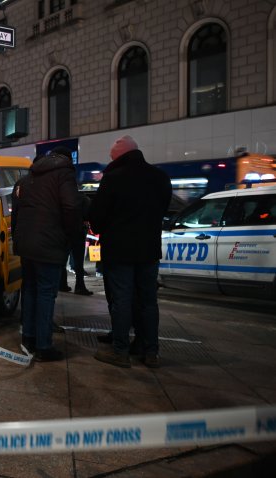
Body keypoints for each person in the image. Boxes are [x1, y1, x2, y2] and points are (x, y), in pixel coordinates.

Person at [89, 135, 171, 368]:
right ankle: (150, 351)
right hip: (149, 249)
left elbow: (97, 218)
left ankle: (120, 351)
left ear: (119, 157)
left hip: (120, 251)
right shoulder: (160, 177)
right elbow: (163, 210)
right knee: (148, 301)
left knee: (121, 300)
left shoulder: (113, 179)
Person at [11, 149, 82, 361]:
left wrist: (19, 238)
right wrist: (70, 235)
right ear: (66, 161)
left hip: (27, 245)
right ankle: (44, 346)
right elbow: (72, 206)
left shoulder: (26, 180)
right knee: (45, 294)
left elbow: (17, 213)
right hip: (49, 244)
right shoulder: (63, 175)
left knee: (30, 290)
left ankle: (29, 338)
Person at [59, 192, 93, 295]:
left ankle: (62, 284)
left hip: (63, 232)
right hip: (78, 232)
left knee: (62, 260)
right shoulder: (83, 198)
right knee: (78, 262)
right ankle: (79, 286)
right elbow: (88, 215)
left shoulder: (60, 197)